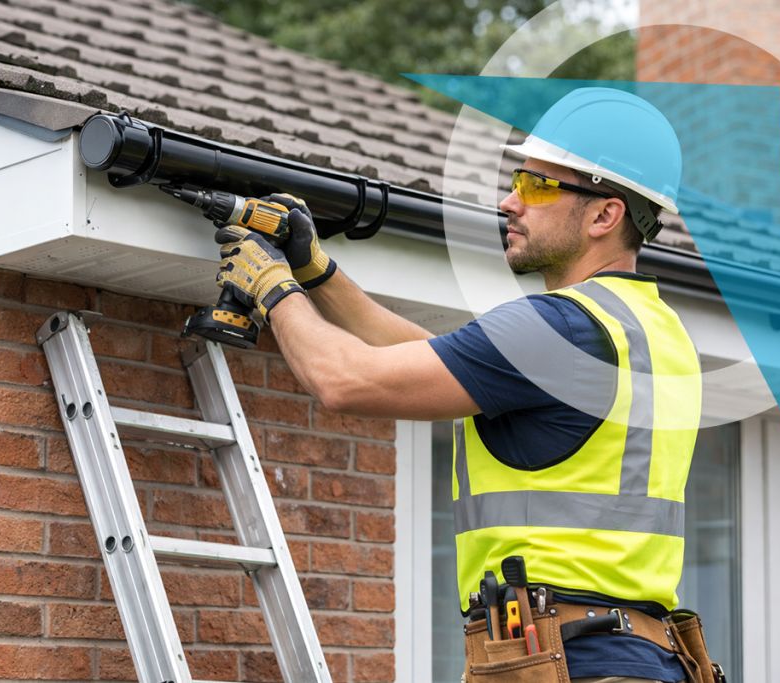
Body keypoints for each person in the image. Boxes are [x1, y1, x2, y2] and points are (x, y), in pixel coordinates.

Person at [212, 88, 702, 683]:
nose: (509, 201)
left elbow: (347, 381)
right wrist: (317, 274)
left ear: (605, 215)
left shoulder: (560, 327)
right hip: (639, 658)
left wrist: (271, 287)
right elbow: (434, 360)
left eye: (538, 186)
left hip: (567, 660)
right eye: (518, 180)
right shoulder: (654, 332)